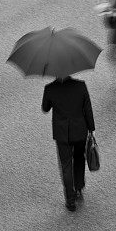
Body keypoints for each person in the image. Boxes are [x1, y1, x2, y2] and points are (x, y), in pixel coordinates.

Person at [41, 76, 95, 212]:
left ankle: (70, 200)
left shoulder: (50, 88)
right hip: (80, 130)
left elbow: (45, 108)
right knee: (79, 158)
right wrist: (91, 129)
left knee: (66, 165)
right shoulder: (81, 85)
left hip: (62, 133)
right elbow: (88, 109)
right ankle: (79, 187)